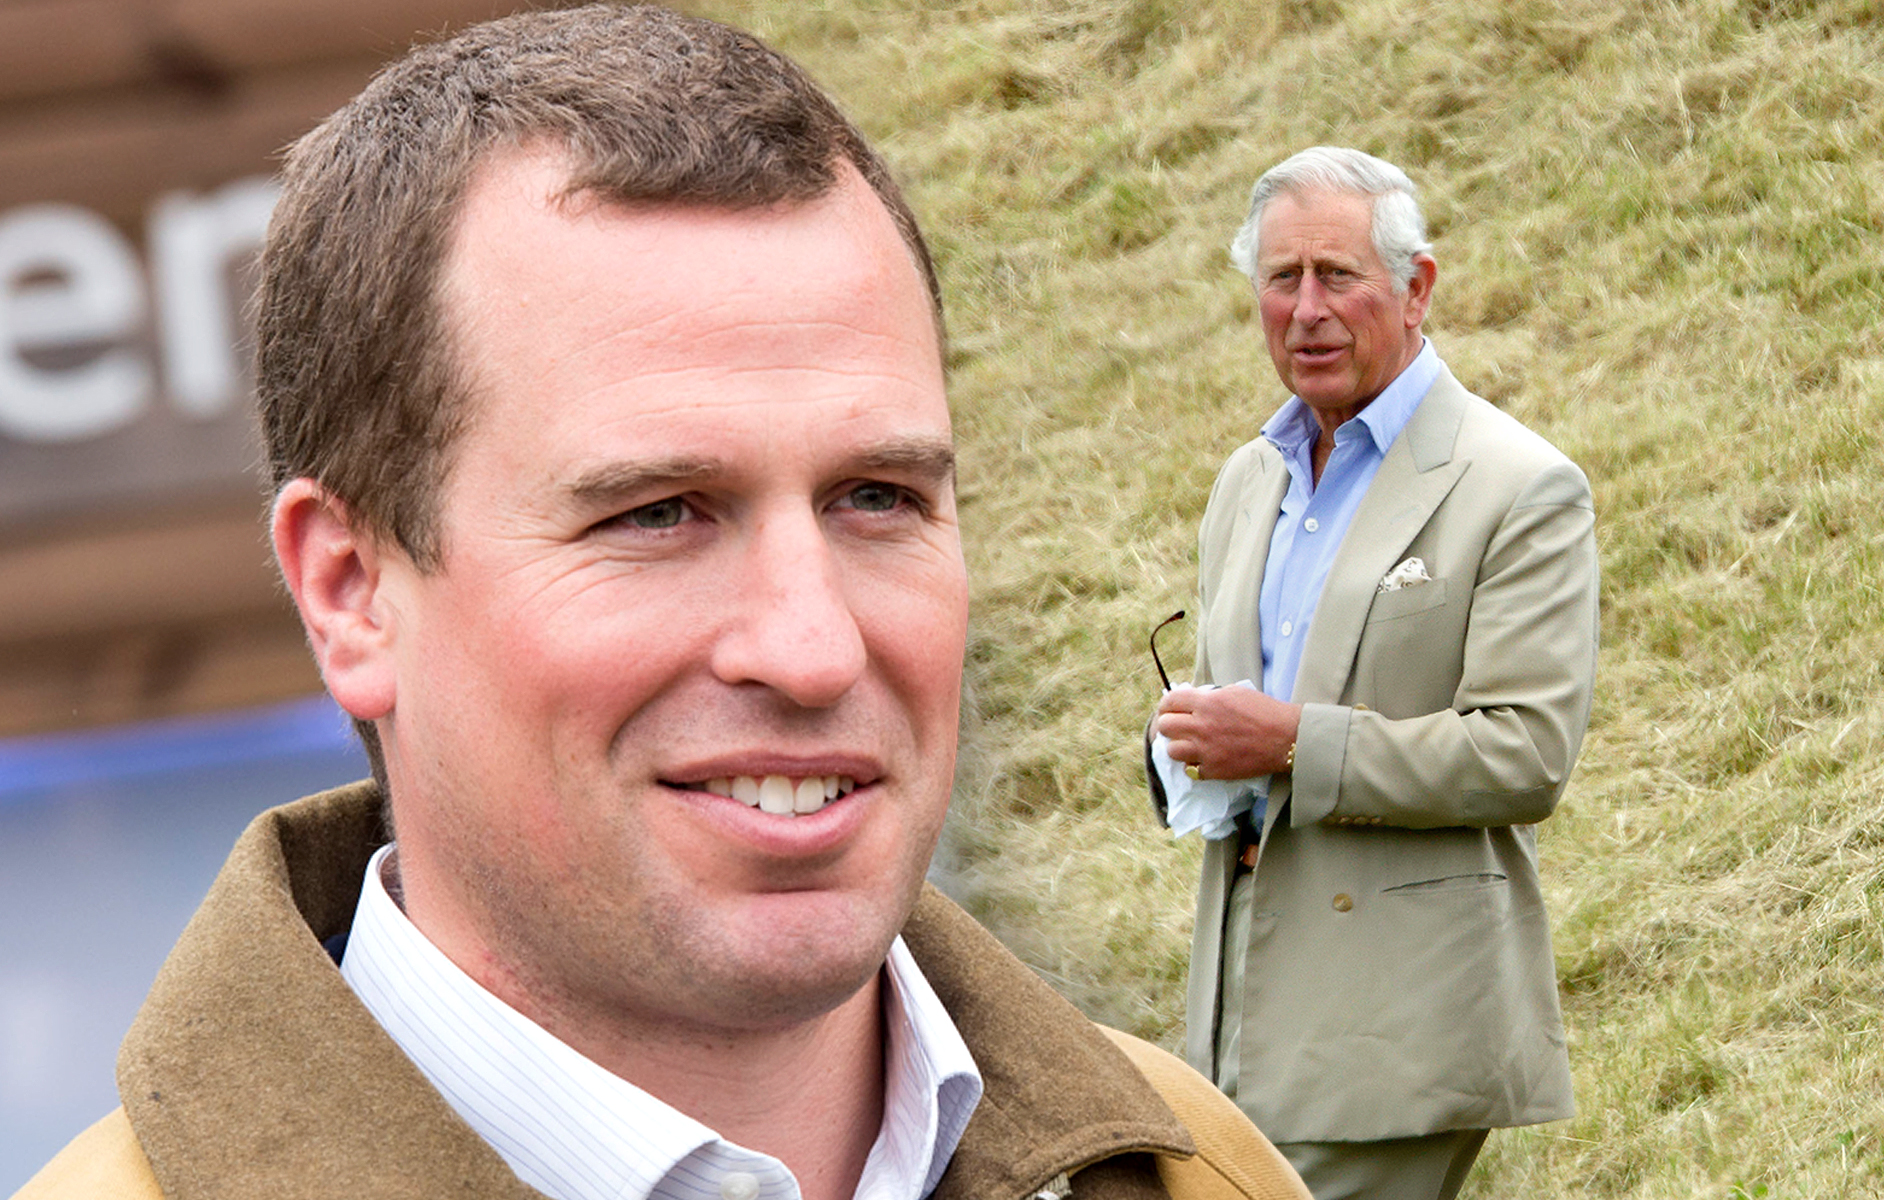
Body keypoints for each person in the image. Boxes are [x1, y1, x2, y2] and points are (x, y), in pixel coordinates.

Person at [14, 8, 1308, 1200]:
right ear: (351, 593)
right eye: (656, 515)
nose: (811, 648)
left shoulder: (1199, 1169)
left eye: (876, 497)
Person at [1148, 147, 1598, 1200]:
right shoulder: (1247, 480)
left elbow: (1525, 753)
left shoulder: (1519, 485)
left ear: (1416, 286)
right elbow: (1235, 714)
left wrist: (1293, 744)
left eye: (1337, 275)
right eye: (1280, 278)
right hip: (1243, 1017)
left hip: (1400, 1026)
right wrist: (1183, 743)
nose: (1306, 309)